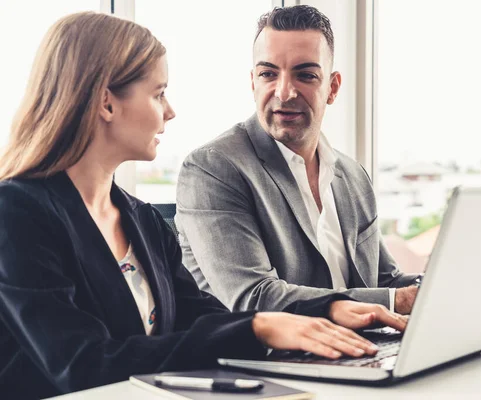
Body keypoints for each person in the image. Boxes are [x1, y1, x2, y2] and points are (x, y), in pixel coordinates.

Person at [0, 12, 410, 399]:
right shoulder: (17, 215)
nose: (171, 111)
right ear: (107, 103)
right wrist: (259, 327)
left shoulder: (142, 220)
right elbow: (79, 362)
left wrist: (330, 308)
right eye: (159, 93)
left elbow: (205, 320)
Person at [176, 5, 421, 313]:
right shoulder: (213, 168)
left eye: (305, 75)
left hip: (356, 350)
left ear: (332, 88)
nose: (285, 91)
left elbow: (386, 281)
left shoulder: (353, 175)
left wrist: (441, 285)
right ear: (253, 83)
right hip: (262, 359)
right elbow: (254, 298)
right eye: (268, 74)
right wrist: (394, 301)